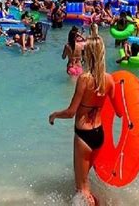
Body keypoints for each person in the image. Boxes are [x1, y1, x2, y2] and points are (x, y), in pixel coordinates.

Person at [49, 35, 115, 205]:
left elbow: (71, 112)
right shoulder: (109, 80)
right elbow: (120, 113)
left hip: (84, 136)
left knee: (81, 188)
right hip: (99, 134)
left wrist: (55, 114)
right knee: (85, 181)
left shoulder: (84, 79)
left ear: (89, 55)